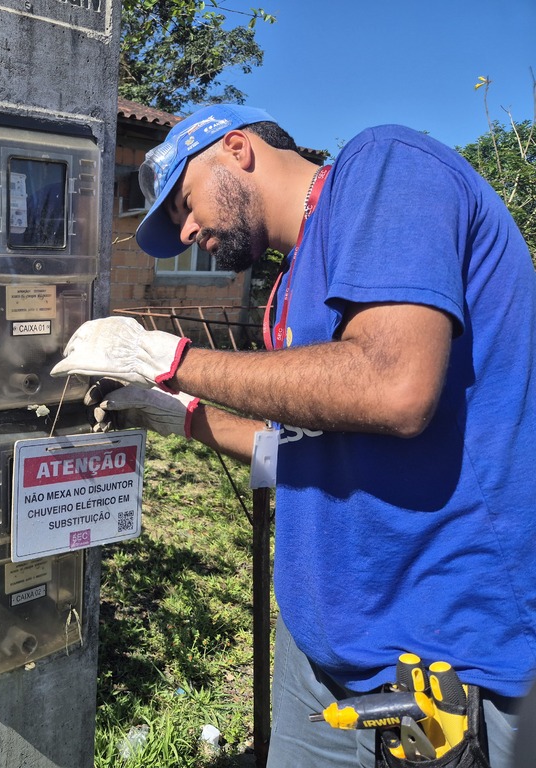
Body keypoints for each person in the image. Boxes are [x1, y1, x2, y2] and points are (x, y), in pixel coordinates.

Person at [50, 104, 536, 767]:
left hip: (442, 648)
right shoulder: (289, 290)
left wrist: (170, 360)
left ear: (237, 149)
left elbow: (394, 387)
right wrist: (179, 413)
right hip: (325, 647)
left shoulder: (385, 166)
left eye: (186, 203)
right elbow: (307, 458)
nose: (190, 231)